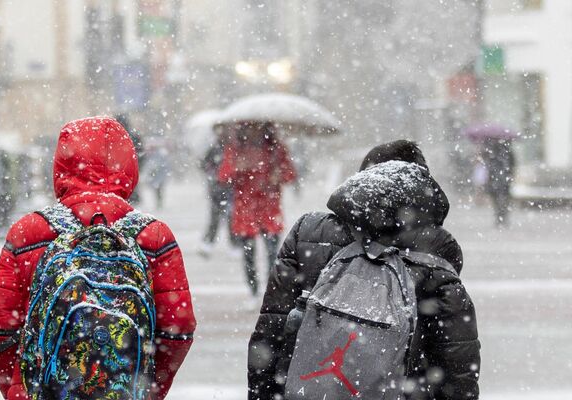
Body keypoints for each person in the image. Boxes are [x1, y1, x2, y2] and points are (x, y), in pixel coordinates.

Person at [0, 117, 196, 400]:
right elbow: (178, 329)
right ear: (129, 165)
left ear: (61, 164)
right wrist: (147, 387)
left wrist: (20, 386)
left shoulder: (28, 232)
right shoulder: (154, 236)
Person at [248, 140, 480, 400]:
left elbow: (271, 330)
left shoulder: (309, 233)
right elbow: (457, 367)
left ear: (361, 180)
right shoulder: (436, 257)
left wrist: (262, 393)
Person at [218, 122, 296, 295]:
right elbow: (223, 177)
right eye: (251, 127)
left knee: (273, 254)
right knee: (249, 255)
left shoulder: (276, 149)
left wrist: (279, 175)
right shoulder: (236, 149)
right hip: (245, 210)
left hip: (270, 209)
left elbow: (290, 174)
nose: (255, 130)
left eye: (259, 127)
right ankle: (253, 289)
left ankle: (271, 289)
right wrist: (236, 168)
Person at [198, 131, 233, 256]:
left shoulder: (227, 148)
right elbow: (203, 165)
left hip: (227, 189)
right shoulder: (216, 148)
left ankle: (211, 242)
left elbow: (203, 164)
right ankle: (209, 242)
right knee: (219, 217)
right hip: (219, 188)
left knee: (226, 218)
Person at [480, 138, 515, 227]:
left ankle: (499, 216)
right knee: (503, 199)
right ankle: (502, 216)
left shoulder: (491, 151)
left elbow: (487, 165)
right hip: (504, 180)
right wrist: (510, 175)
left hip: (495, 180)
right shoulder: (507, 152)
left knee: (496, 199)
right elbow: (512, 165)